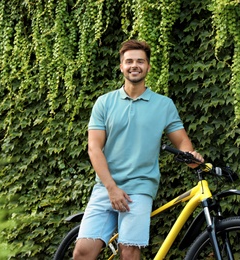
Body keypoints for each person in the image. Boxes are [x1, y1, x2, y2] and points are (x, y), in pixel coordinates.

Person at [73, 39, 204, 260]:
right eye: (129, 61)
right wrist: (111, 188)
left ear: (148, 67)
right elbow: (94, 148)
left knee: (130, 251)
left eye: (140, 61)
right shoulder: (104, 103)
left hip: (140, 188)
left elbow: (182, 142)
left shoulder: (163, 105)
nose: (135, 65)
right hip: (105, 186)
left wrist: (190, 156)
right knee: (83, 252)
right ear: (121, 66)